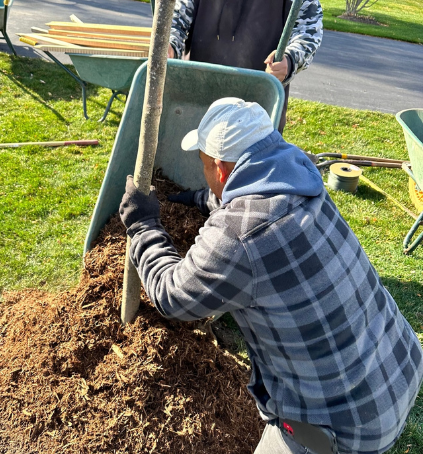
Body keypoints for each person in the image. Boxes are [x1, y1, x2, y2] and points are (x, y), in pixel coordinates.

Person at [119, 97, 423, 454]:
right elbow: (255, 202)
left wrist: (143, 226)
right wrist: (205, 200)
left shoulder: (236, 238)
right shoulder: (304, 180)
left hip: (346, 426)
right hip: (399, 366)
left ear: (218, 168)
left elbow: (171, 295)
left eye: (203, 166)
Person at [167, 0, 323, 133]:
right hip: (195, 105)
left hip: (258, 112)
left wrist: (290, 59)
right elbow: (175, 21)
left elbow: (308, 31)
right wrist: (170, 46)